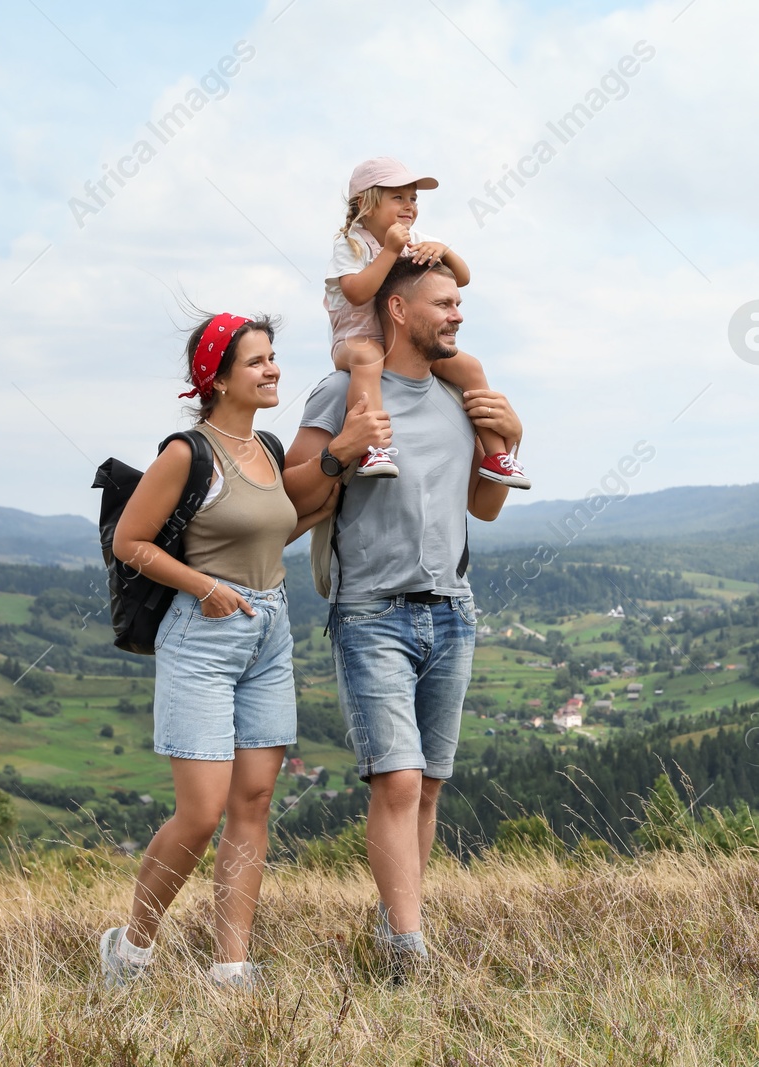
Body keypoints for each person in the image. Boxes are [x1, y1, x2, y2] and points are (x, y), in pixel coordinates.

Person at [98, 312, 362, 989]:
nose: (272, 369)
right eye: (257, 361)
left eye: (273, 357)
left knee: (254, 801)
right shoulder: (188, 454)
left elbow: (282, 526)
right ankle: (130, 949)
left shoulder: (269, 450)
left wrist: (339, 463)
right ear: (216, 378)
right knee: (202, 810)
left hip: (271, 630)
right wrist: (204, 586)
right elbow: (132, 542)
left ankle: (232, 965)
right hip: (204, 635)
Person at [287, 257, 521, 969]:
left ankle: (397, 930)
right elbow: (290, 500)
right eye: (443, 304)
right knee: (397, 778)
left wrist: (509, 441)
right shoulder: (339, 392)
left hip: (453, 610)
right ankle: (409, 948)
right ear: (397, 309)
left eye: (458, 305)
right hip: (371, 612)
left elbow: (483, 506)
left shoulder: (459, 395)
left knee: (426, 789)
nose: (456, 315)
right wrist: (340, 454)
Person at [324, 156, 530, 489]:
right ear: (365, 202)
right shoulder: (351, 243)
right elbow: (357, 293)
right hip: (357, 340)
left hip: (404, 341)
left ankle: (496, 456)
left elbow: (462, 278)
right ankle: (374, 448)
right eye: (398, 197)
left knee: (470, 368)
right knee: (368, 358)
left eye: (414, 198)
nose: (409, 206)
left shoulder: (416, 236)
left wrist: (444, 251)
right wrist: (390, 251)